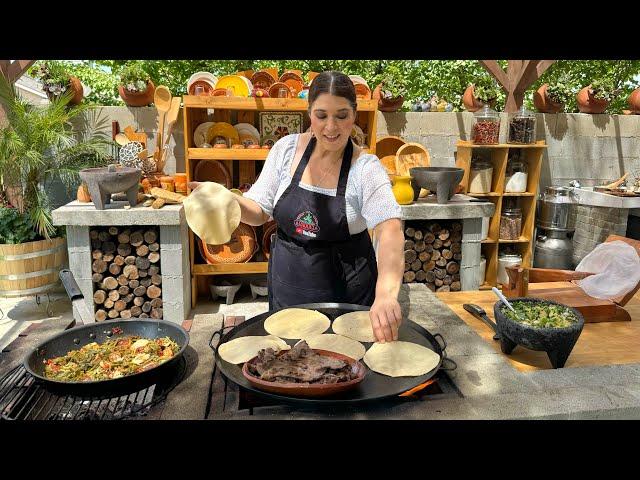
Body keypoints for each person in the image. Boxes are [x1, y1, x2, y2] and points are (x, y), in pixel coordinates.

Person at [190, 71, 404, 342]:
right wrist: (227, 199)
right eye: (321, 115)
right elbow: (258, 211)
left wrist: (386, 294)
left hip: (347, 298)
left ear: (355, 114)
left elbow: (390, 228)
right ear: (309, 112)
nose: (331, 127)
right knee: (289, 368)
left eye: (342, 115)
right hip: (289, 288)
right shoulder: (285, 150)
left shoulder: (365, 168)